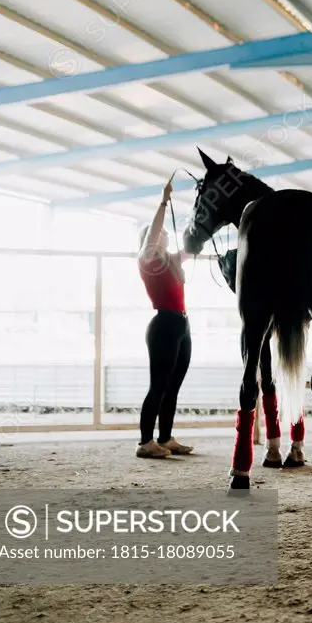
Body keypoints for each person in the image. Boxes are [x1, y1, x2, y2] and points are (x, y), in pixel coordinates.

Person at [135, 175, 195, 459]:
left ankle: (165, 437)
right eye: (161, 237)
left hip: (182, 323)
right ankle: (145, 442)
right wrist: (163, 201)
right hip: (164, 325)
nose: (165, 240)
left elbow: (193, 247)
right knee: (158, 386)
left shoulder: (170, 262)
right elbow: (154, 232)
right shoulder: (148, 259)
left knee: (173, 386)